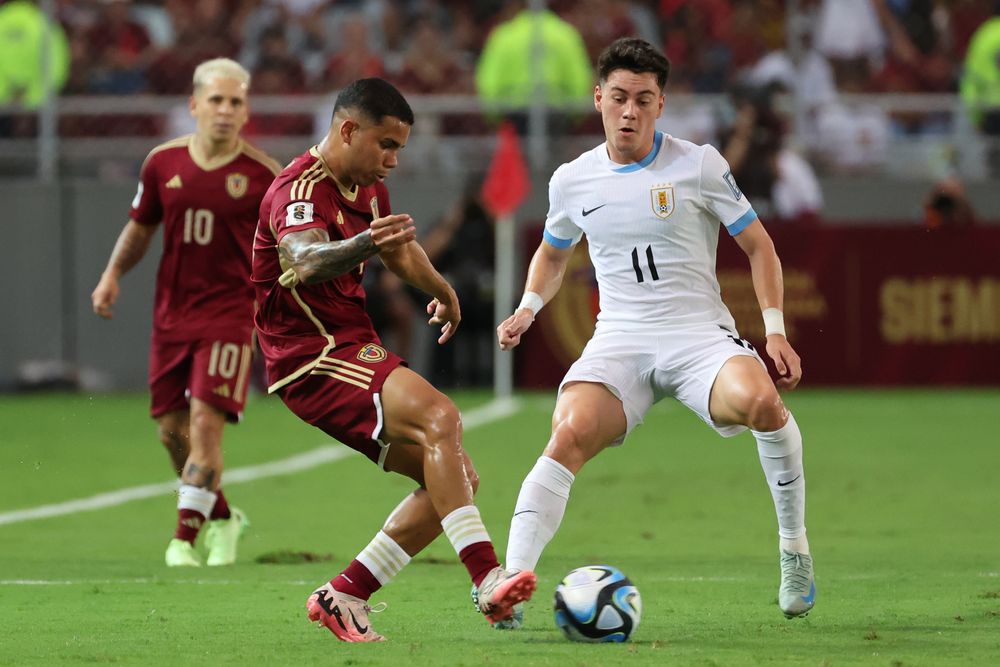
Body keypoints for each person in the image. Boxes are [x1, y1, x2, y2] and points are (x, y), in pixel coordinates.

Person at [495, 38, 816, 625]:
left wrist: (774, 331)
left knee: (763, 404)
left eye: (643, 99)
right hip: (620, 338)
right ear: (598, 99)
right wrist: (528, 307)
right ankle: (509, 584)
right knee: (568, 433)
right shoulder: (572, 180)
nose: (629, 111)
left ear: (660, 104)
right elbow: (553, 252)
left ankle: (794, 548)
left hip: (699, 337)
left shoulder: (700, 165)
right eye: (618, 97)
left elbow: (759, 245)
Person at [251, 77, 536, 643]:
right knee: (442, 418)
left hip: (349, 343)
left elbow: (398, 244)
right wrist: (365, 246)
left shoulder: (366, 185)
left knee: (455, 477)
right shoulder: (298, 190)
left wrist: (443, 289)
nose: (393, 161)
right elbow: (306, 261)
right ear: (347, 129)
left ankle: (346, 593)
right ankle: (487, 579)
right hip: (312, 355)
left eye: (399, 148)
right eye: (386, 144)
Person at [91, 58, 281, 567]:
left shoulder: (264, 176)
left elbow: (288, 250)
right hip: (171, 316)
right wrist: (112, 275)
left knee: (204, 425)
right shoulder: (161, 164)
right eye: (215, 100)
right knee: (170, 434)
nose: (225, 110)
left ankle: (182, 540)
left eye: (235, 102)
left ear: (246, 113)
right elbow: (141, 227)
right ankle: (222, 518)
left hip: (230, 317)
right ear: (194, 105)